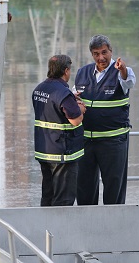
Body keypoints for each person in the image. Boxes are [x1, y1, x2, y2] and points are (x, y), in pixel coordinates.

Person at [74, 35, 136, 205]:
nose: (101, 57)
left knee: (113, 187)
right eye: (96, 54)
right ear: (92, 55)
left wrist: (122, 69)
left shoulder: (123, 72)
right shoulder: (82, 73)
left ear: (111, 51)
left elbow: (128, 82)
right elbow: (73, 97)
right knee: (84, 187)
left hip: (113, 142)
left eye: (104, 52)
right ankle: (87, 225)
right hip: (86, 141)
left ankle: (114, 226)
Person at [32, 54, 86, 206]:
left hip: (44, 151)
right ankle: (59, 230)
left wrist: (70, 99)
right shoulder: (63, 93)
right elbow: (76, 120)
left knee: (47, 196)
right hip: (62, 154)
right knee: (64, 199)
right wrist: (79, 108)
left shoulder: (39, 89)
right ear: (66, 70)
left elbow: (51, 109)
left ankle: (45, 228)